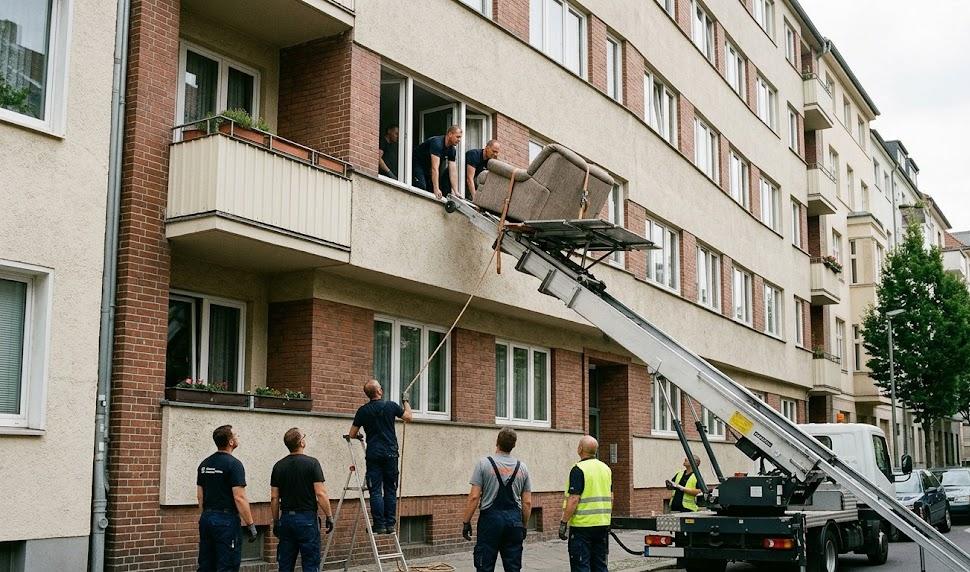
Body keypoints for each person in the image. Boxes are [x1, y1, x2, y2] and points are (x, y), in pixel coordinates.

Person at [461, 427, 533, 572]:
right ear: (514, 445)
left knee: (485, 565)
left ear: (497, 442)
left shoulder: (484, 464)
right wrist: (524, 525)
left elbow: (474, 497)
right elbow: (527, 502)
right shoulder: (522, 468)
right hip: (514, 522)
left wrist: (466, 521)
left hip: (490, 522)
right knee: (513, 567)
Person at [349, 379, 413, 534]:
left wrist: (359, 436)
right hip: (391, 454)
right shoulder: (390, 406)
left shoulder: (363, 411)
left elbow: (352, 434)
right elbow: (409, 417)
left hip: (374, 455)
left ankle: (379, 525)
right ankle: (390, 524)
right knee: (390, 489)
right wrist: (406, 400)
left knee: (375, 490)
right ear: (379, 391)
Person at [270, 428, 334, 572]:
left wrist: (276, 521)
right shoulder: (312, 464)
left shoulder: (278, 466)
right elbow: (321, 493)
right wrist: (329, 516)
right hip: (307, 520)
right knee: (310, 564)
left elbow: (274, 497)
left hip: (286, 518)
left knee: (285, 564)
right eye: (303, 436)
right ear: (301, 442)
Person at [197, 424, 257, 572]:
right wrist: (250, 524)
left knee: (206, 564)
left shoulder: (204, 464)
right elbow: (239, 498)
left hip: (207, 518)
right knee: (227, 565)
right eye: (236, 435)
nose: (238, 437)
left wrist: (205, 516)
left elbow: (200, 496)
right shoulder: (234, 464)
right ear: (230, 442)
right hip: (226, 521)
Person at [559, 436, 612, 572]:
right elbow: (611, 497)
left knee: (581, 565)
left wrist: (564, 522)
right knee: (600, 565)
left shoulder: (578, 469)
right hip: (602, 525)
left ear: (580, 449)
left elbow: (574, 499)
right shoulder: (606, 468)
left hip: (582, 526)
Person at [412, 125, 462, 199]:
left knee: (431, 190)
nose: (459, 140)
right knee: (421, 186)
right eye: (458, 137)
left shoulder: (452, 150)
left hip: (427, 167)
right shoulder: (437, 143)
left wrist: (456, 191)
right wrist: (436, 188)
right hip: (417, 162)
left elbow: (453, 171)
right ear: (450, 134)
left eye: (460, 137)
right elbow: (434, 168)